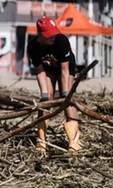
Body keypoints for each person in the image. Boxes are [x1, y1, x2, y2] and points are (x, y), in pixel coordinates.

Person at [27, 16, 80, 156]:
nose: (52, 37)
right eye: (48, 35)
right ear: (40, 34)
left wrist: (65, 94)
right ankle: (41, 141)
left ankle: (74, 141)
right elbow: (40, 72)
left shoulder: (61, 41)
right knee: (46, 100)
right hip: (48, 70)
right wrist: (44, 95)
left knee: (67, 100)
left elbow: (65, 71)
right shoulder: (32, 46)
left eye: (53, 33)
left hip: (66, 68)